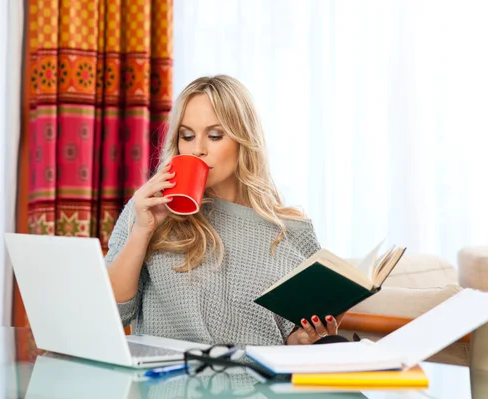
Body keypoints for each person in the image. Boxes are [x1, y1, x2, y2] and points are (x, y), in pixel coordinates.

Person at [106, 75, 343, 346]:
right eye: (187, 136)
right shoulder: (148, 211)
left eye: (215, 135)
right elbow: (112, 313)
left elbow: (290, 340)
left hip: (259, 383)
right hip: (167, 382)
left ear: (244, 140)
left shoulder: (292, 231)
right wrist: (142, 231)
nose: (197, 149)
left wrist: (304, 339)